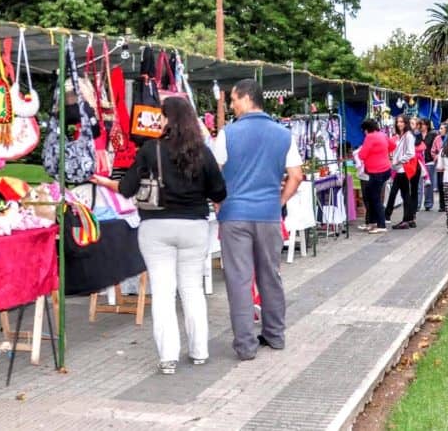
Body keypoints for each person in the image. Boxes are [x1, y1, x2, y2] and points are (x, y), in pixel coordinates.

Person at [91, 97, 227, 375]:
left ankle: (168, 357)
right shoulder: (202, 151)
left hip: (155, 227)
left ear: (166, 119)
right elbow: (219, 192)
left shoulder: (150, 149)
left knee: (163, 293)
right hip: (194, 227)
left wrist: (106, 182)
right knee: (192, 289)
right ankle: (199, 351)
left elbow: (127, 188)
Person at [212, 79, 304, 361]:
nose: (231, 106)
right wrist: (279, 202)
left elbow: (214, 176)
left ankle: (245, 345)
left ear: (246, 98)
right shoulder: (283, 134)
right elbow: (296, 176)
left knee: (239, 280)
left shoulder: (227, 134)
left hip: (234, 216)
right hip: (268, 215)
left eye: (233, 100)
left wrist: (219, 205)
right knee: (270, 276)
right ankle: (275, 335)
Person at [357, 118, 391, 234]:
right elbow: (392, 146)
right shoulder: (382, 134)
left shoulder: (370, 137)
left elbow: (362, 155)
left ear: (366, 129)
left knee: (375, 198)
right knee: (371, 196)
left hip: (377, 171)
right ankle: (372, 222)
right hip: (385, 169)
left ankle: (381, 225)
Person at [386, 115, 420, 229]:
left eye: (401, 122)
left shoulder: (408, 136)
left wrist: (398, 161)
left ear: (406, 123)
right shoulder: (403, 135)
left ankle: (395, 217)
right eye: (398, 122)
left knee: (399, 193)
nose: (399, 124)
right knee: (404, 194)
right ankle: (408, 219)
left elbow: (411, 153)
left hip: (403, 168)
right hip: (401, 168)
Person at [420, 119, 439, 212]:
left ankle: (428, 203)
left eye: (422, 124)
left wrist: (435, 156)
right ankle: (417, 204)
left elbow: (437, 146)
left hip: (429, 161)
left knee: (428, 183)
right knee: (419, 184)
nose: (421, 126)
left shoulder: (433, 134)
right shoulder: (417, 135)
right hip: (419, 161)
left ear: (427, 125)